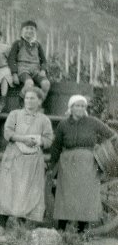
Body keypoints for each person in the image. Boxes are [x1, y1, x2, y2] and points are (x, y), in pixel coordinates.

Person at [49, 95, 116, 234]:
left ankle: (81, 230)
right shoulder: (63, 125)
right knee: (66, 194)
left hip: (88, 163)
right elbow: (56, 147)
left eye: (82, 106)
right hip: (67, 163)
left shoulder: (93, 122)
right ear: (71, 108)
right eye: (77, 106)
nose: (80, 108)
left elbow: (112, 135)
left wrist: (103, 150)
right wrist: (52, 165)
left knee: (85, 195)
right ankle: (62, 228)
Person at [0, 87, 53, 236]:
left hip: (32, 160)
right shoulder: (15, 115)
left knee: (27, 190)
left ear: (39, 101)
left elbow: (49, 139)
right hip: (14, 156)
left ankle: (21, 226)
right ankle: (1, 224)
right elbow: (7, 133)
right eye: (27, 98)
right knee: (7, 187)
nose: (29, 101)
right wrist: (24, 139)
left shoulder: (43, 120)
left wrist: (39, 141)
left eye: (33, 98)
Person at [8, 20, 51, 99]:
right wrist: (14, 74)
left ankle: (38, 103)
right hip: (23, 69)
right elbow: (11, 59)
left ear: (35, 31)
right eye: (27, 28)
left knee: (46, 84)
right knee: (29, 83)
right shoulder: (18, 43)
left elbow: (44, 61)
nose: (29, 31)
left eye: (32, 29)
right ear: (22, 30)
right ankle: (21, 99)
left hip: (36, 70)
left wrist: (43, 70)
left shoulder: (37, 45)